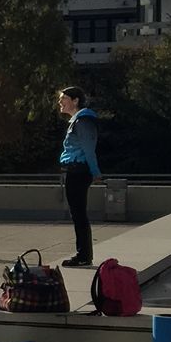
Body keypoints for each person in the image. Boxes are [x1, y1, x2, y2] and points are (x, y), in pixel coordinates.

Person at [58, 87, 100, 268]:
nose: (60, 102)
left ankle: (83, 255)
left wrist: (95, 172)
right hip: (75, 170)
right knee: (77, 214)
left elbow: (89, 149)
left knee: (79, 214)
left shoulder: (83, 121)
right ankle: (83, 254)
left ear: (75, 101)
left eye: (64, 98)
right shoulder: (77, 121)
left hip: (79, 171)